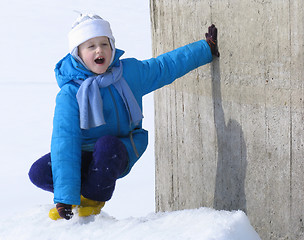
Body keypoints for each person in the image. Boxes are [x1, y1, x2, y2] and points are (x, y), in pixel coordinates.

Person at [28, 13, 219, 220]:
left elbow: (165, 66)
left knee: (107, 145)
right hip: (84, 152)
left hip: (120, 148)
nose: (99, 50)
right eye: (90, 46)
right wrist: (64, 197)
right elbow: (64, 142)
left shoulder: (128, 74)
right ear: (78, 54)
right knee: (39, 172)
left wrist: (205, 48)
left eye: (104, 43)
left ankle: (92, 199)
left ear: (112, 48)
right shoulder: (70, 94)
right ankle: (77, 198)